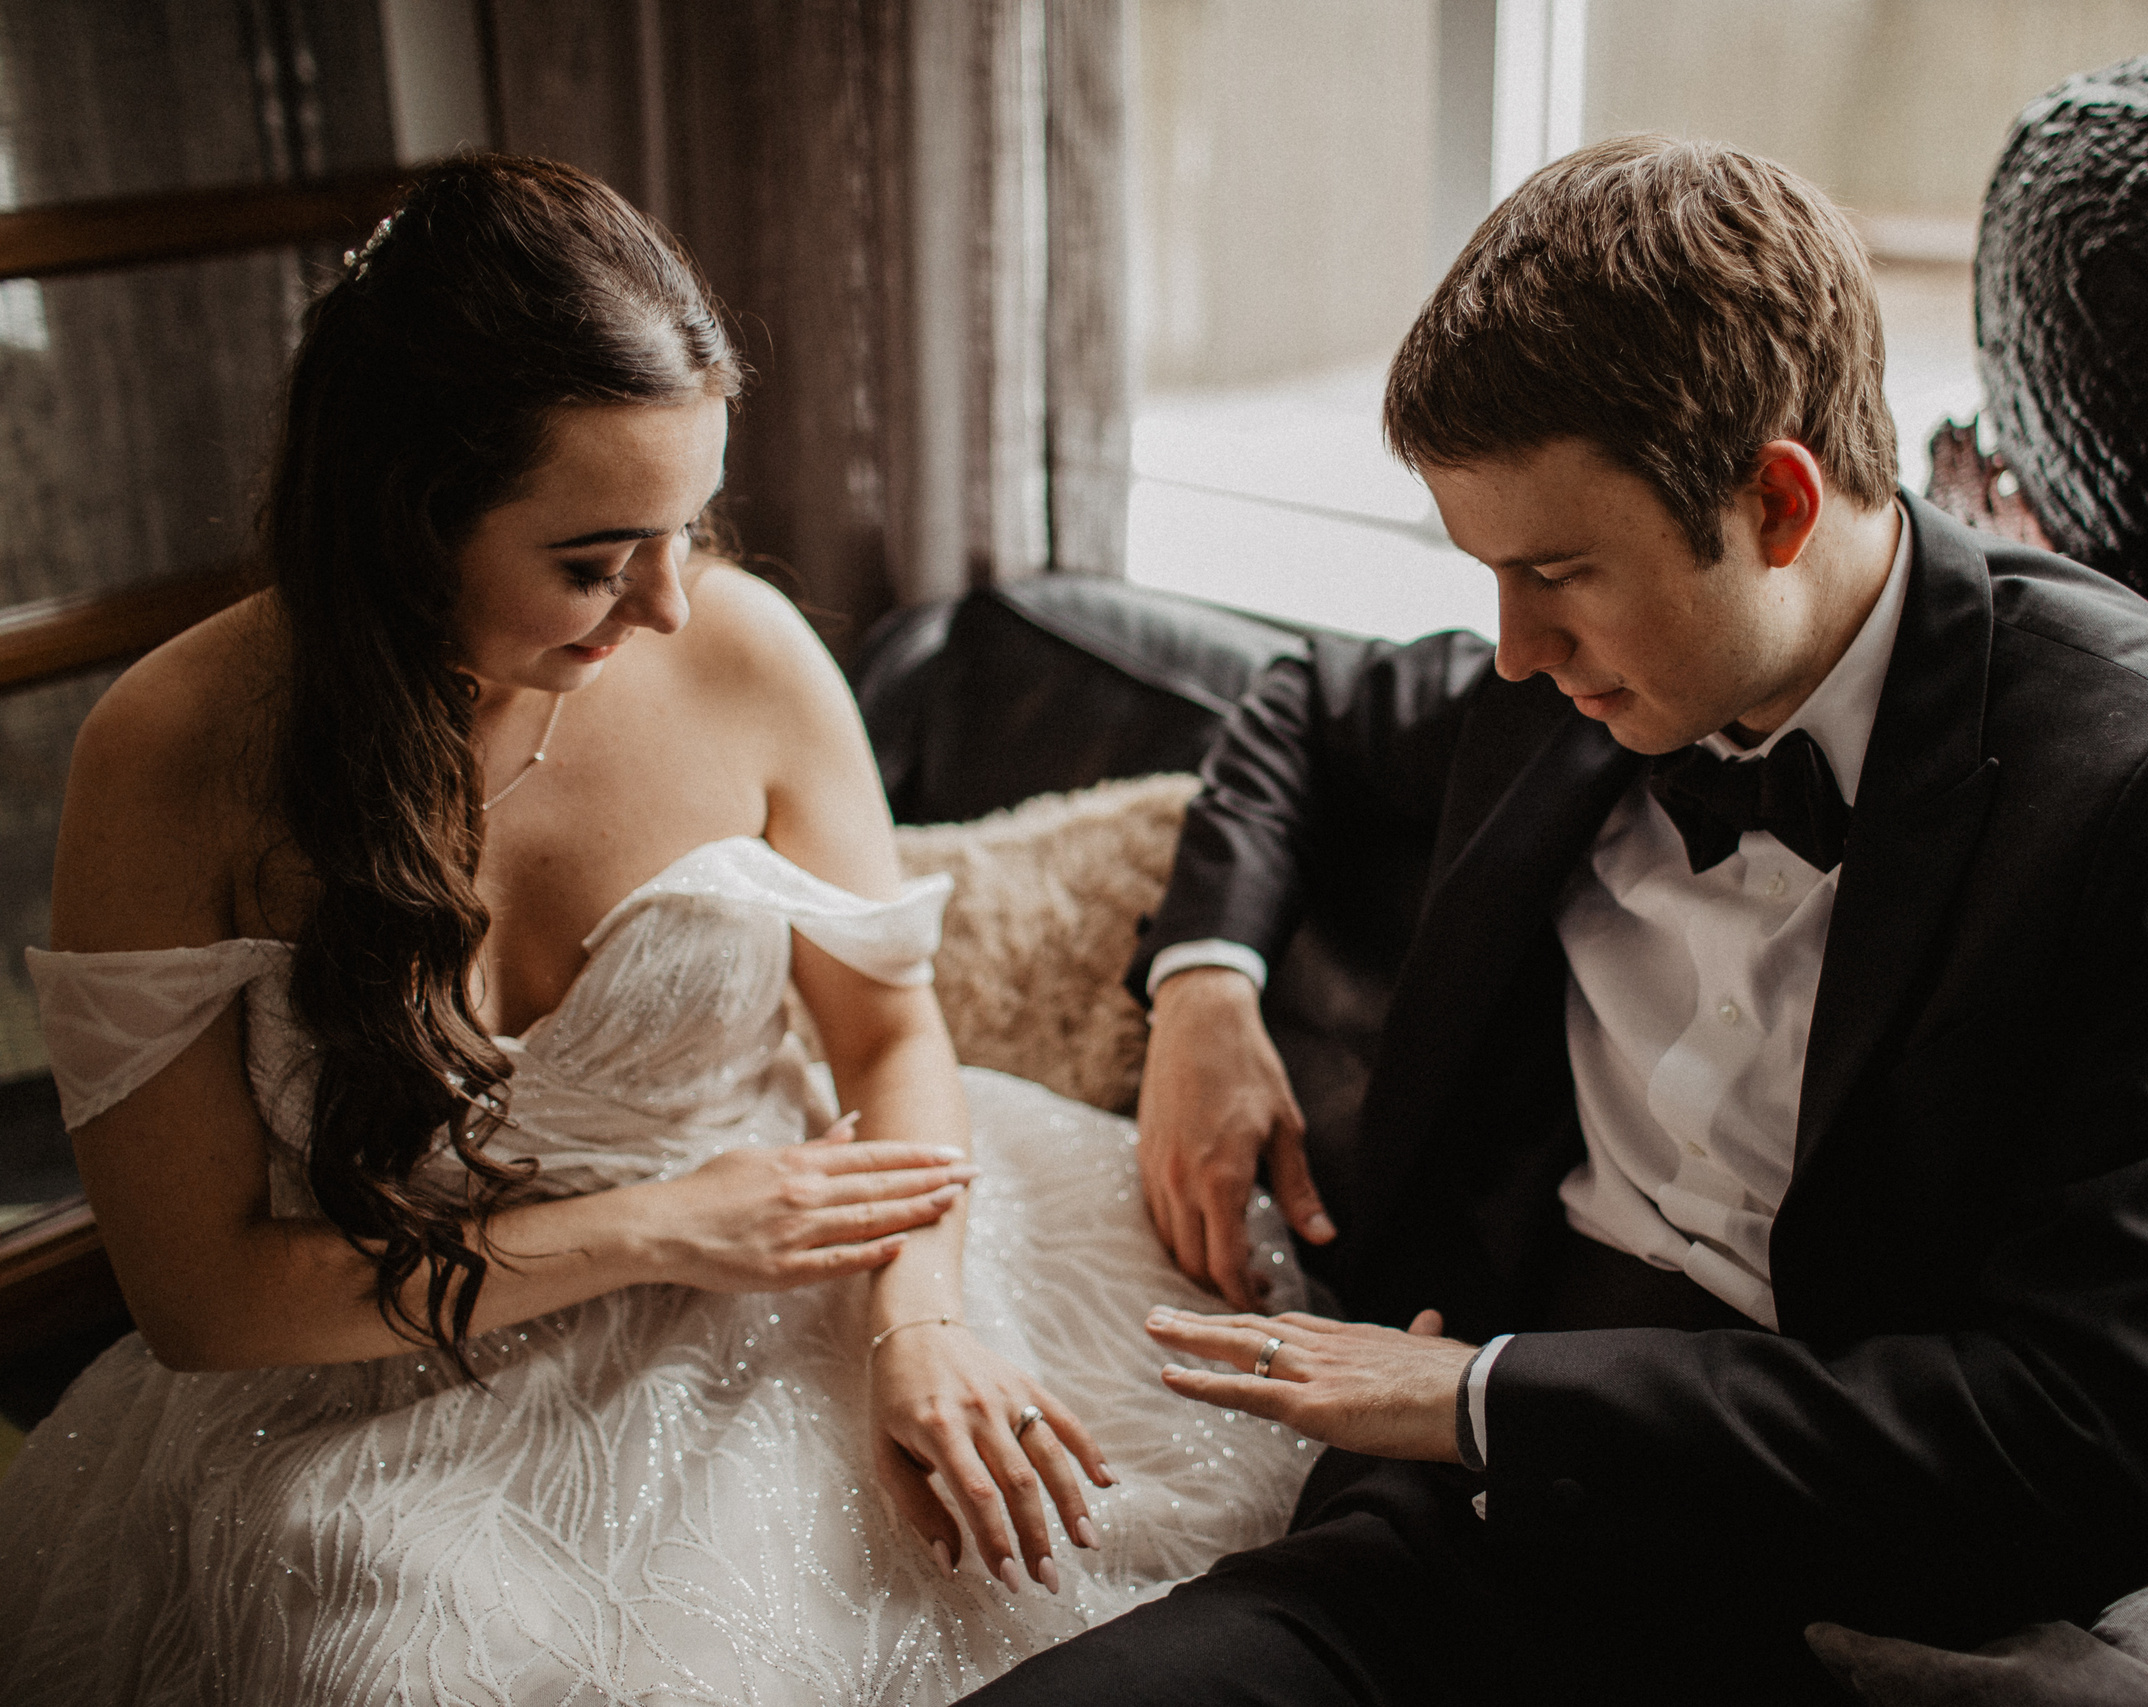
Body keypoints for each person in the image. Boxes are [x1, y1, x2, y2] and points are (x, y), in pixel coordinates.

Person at [966, 136, 2148, 1702]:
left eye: (1555, 576)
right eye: (1489, 578)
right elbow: (1304, 712)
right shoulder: (1584, 675)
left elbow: (2112, 1427)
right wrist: (1204, 990)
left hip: (1823, 1576)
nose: (1517, 653)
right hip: (1450, 1531)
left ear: (1778, 500)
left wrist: (1483, 1396)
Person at [0, 156, 1313, 1705]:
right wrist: (664, 1225)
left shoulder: (747, 655)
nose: (675, 606)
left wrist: (919, 1321)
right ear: (407, 519)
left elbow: (889, 1034)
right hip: (373, 1388)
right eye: (593, 560)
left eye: (689, 527)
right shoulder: (169, 758)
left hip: (809, 1291)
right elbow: (205, 1303)